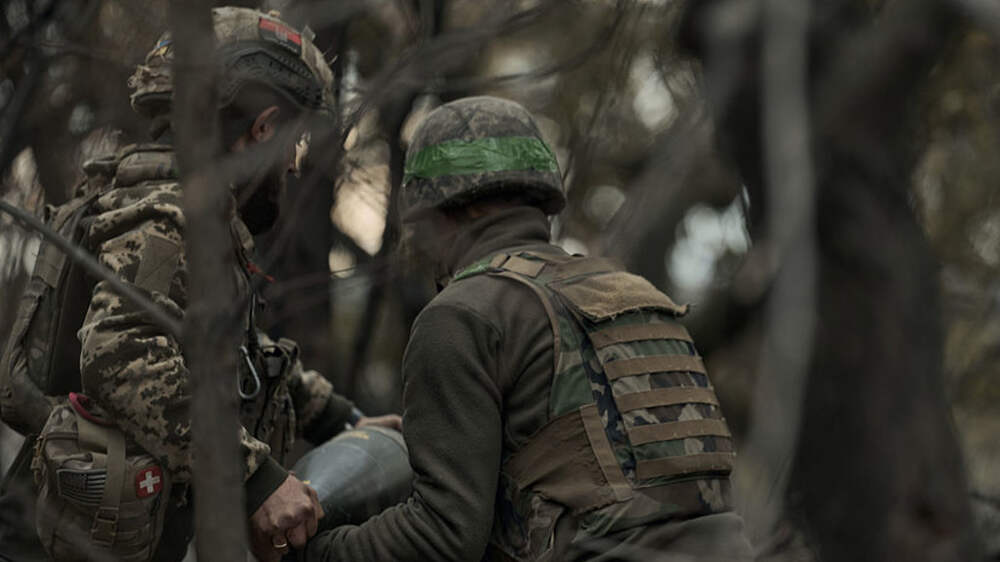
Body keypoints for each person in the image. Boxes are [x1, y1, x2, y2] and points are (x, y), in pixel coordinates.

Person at [0, 7, 399, 562]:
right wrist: (256, 476)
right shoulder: (167, 215)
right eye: (295, 142)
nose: (292, 165)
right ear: (263, 128)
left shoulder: (180, 210)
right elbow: (122, 356)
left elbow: (230, 352)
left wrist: (340, 419)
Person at [305, 96, 754, 561]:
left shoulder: (461, 316)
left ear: (442, 210)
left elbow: (441, 537)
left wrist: (312, 553)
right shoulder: (636, 294)